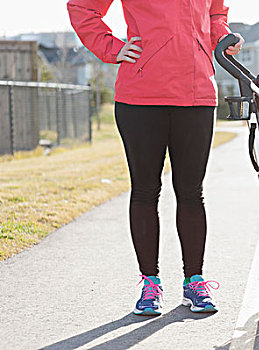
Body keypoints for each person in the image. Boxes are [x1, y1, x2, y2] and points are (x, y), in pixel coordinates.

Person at [67, 0, 245, 316]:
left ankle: (195, 282)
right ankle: (150, 285)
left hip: (197, 94)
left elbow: (216, 11)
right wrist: (111, 47)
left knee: (191, 193)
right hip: (140, 97)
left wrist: (221, 36)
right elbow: (82, 7)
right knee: (146, 191)